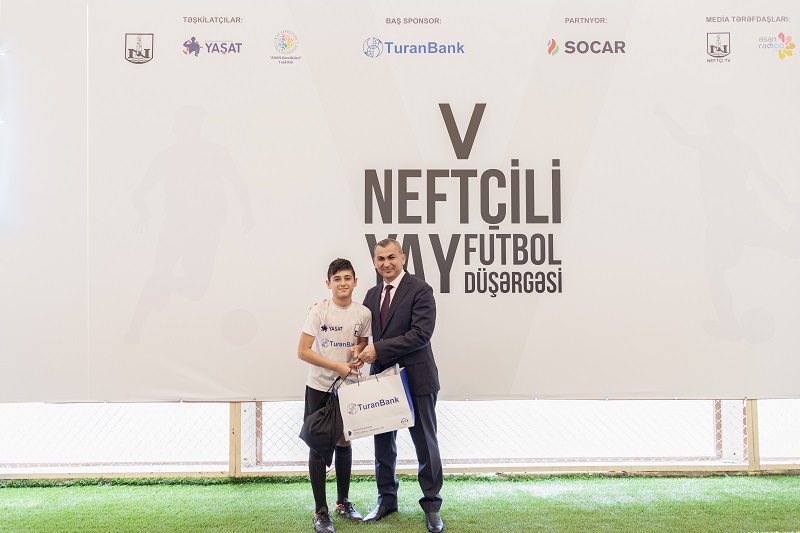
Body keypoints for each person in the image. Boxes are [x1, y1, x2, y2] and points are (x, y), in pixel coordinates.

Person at [356, 238, 444, 533]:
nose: (386, 264)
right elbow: (361, 331)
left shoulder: (420, 289)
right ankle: (386, 500)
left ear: (402, 258)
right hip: (382, 380)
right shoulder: (371, 294)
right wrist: (325, 309)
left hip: (417, 379)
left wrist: (378, 349)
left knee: (425, 444)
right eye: (380, 259)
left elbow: (421, 334)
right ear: (374, 262)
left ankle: (432, 505)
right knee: (383, 444)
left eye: (391, 257)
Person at [298, 258, 372, 533]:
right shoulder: (319, 311)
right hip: (319, 387)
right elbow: (303, 351)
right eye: (337, 279)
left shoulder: (363, 313)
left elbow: (363, 342)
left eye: (347, 278)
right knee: (318, 444)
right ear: (329, 284)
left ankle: (343, 502)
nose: (343, 283)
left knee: (344, 440)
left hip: (349, 388)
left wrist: (358, 351)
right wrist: (337, 366)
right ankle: (321, 511)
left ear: (355, 281)